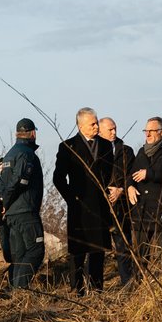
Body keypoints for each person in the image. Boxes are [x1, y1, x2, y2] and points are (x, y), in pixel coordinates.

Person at [53, 107, 113, 295]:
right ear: (80, 126)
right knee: (78, 251)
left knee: (98, 250)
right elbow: (58, 178)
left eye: (96, 122)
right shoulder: (67, 146)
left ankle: (97, 290)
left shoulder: (105, 145)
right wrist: (72, 199)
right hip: (79, 206)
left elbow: (109, 172)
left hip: (100, 206)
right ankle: (76, 289)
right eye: (92, 124)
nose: (97, 126)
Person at [126, 117, 162, 271]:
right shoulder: (141, 151)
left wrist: (150, 174)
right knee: (140, 256)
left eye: (151, 131)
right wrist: (130, 186)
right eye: (146, 131)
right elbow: (131, 174)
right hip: (142, 210)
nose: (147, 134)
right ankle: (139, 286)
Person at [0, 118, 45, 289]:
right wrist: (6, 202)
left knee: (20, 255)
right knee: (36, 250)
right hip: (25, 211)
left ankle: (16, 294)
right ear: (33, 133)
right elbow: (18, 181)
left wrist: (1, 202)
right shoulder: (26, 154)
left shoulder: (9, 154)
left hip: (12, 215)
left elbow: (1, 183)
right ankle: (20, 291)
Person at [99, 117, 136, 287]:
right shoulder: (94, 150)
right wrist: (105, 190)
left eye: (115, 128)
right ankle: (94, 285)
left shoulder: (126, 151)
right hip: (100, 205)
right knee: (97, 246)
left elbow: (131, 174)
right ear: (100, 131)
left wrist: (121, 189)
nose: (114, 132)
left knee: (123, 244)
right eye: (110, 130)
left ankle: (127, 281)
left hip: (121, 205)